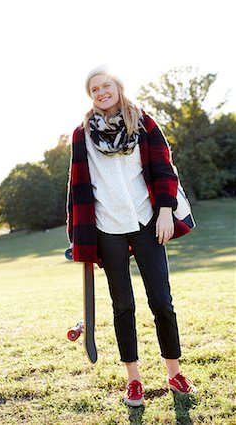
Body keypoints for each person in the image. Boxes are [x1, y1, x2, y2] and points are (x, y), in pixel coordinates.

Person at [66, 66, 196, 407]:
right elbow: (77, 189)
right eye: (94, 89)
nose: (100, 92)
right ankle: (134, 380)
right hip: (107, 226)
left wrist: (166, 209)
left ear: (117, 87)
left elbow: (163, 167)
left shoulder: (144, 122)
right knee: (123, 305)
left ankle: (174, 373)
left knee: (161, 302)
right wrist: (81, 242)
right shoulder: (82, 135)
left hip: (146, 221)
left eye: (105, 85)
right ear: (90, 96)